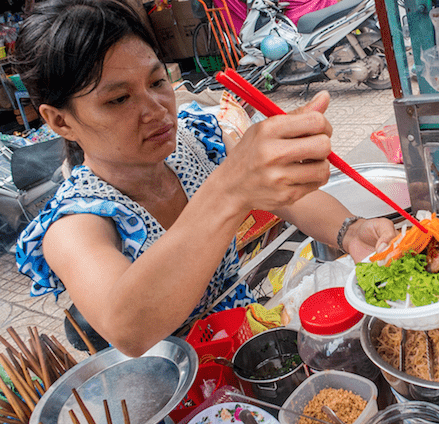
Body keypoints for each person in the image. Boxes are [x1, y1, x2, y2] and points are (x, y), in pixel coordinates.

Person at [13, 0, 397, 357]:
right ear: (60, 121)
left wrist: (350, 230)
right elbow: (129, 329)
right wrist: (230, 189)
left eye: (157, 82)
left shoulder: (196, 142)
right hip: (183, 388)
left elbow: (287, 197)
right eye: (118, 100)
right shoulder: (74, 225)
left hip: (250, 340)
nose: (155, 110)